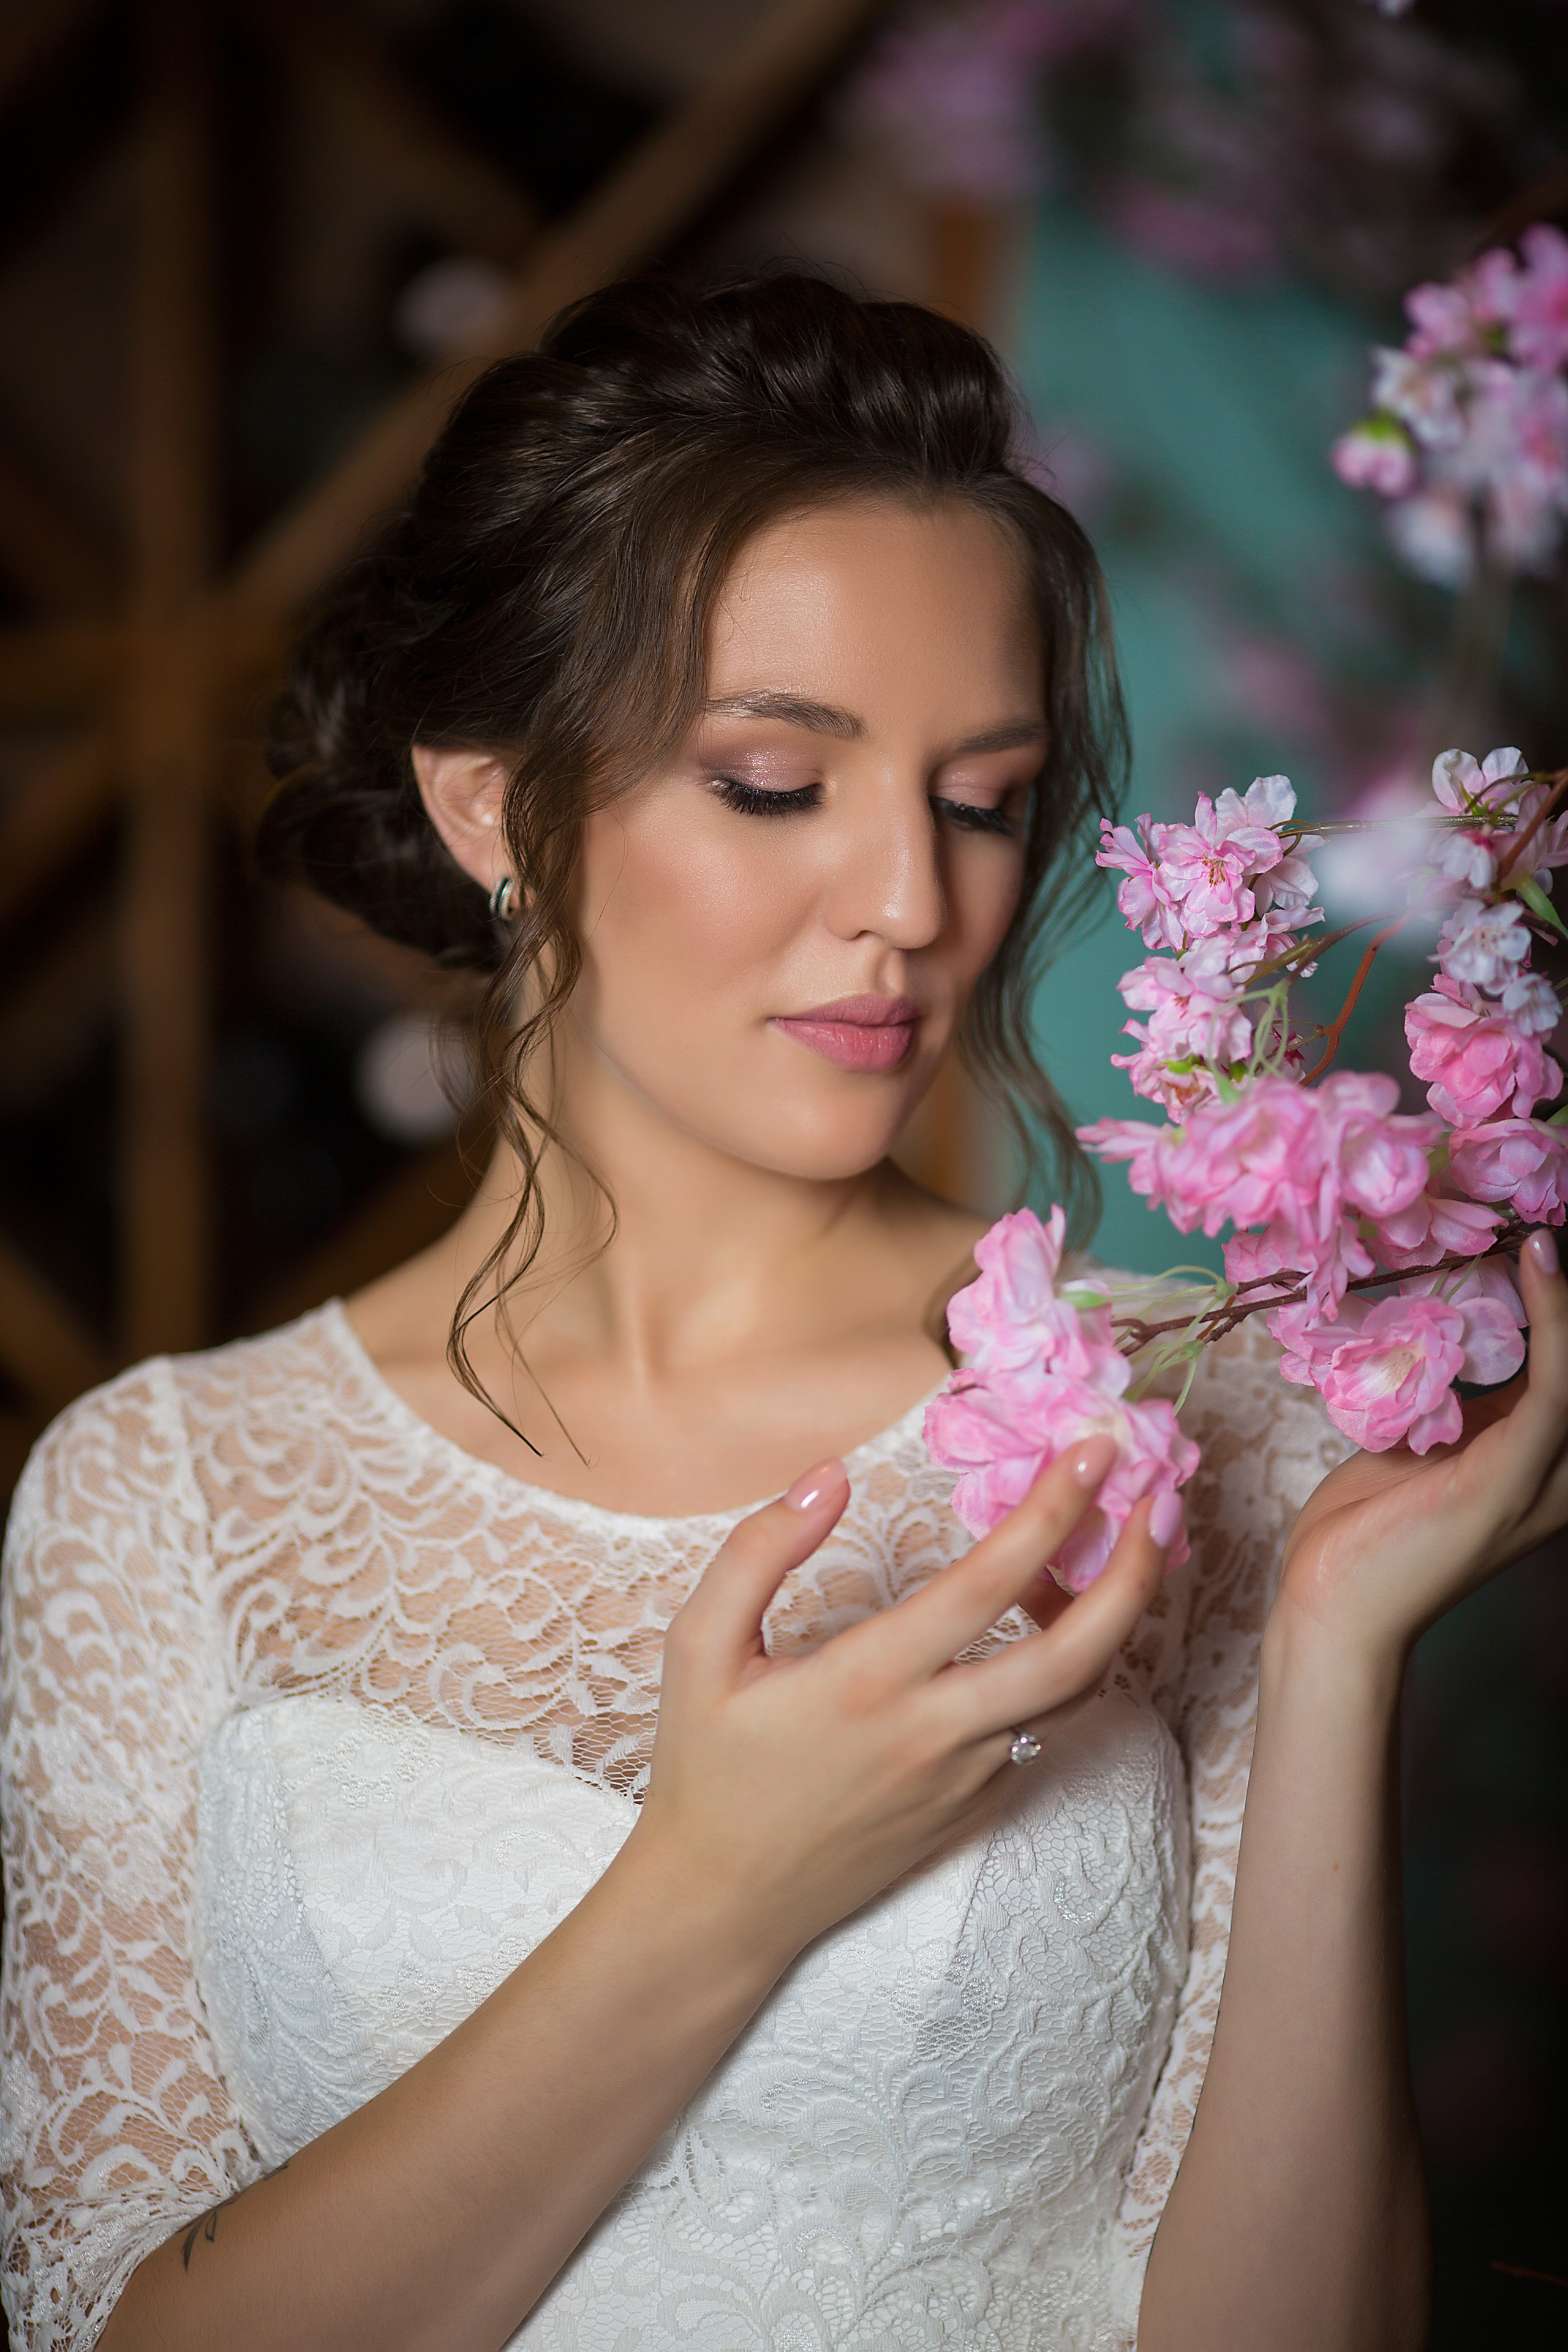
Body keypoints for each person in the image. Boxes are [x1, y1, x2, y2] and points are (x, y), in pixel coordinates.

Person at [2, 273, 1565, 2352]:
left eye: (984, 796)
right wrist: (714, 1893)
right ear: (492, 807)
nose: (913, 905)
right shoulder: (157, 1494)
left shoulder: (1202, 1413)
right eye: (771, 779)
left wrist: (1339, 1641)